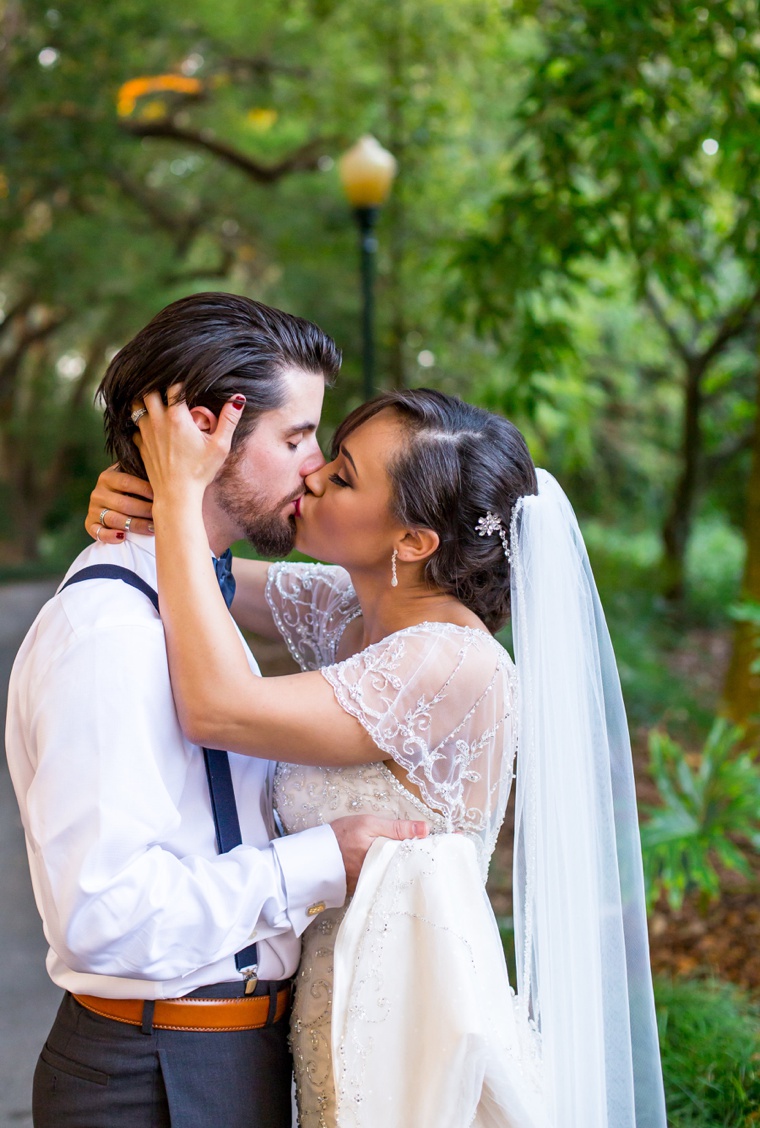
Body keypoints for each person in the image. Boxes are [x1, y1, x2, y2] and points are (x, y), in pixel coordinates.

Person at [94, 383, 667, 1127]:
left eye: (343, 475)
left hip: (406, 1038)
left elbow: (218, 706)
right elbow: (203, 578)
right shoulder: (352, 609)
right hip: (327, 1018)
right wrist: (144, 511)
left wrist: (174, 503)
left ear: (414, 541)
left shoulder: (448, 662)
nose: (313, 476)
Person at [4, 293, 427, 1128]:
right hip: (151, 1077)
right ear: (205, 430)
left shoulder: (194, 601)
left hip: (226, 1057)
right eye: (298, 437)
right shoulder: (109, 633)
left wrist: (168, 504)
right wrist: (312, 864)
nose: (315, 466)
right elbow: (102, 915)